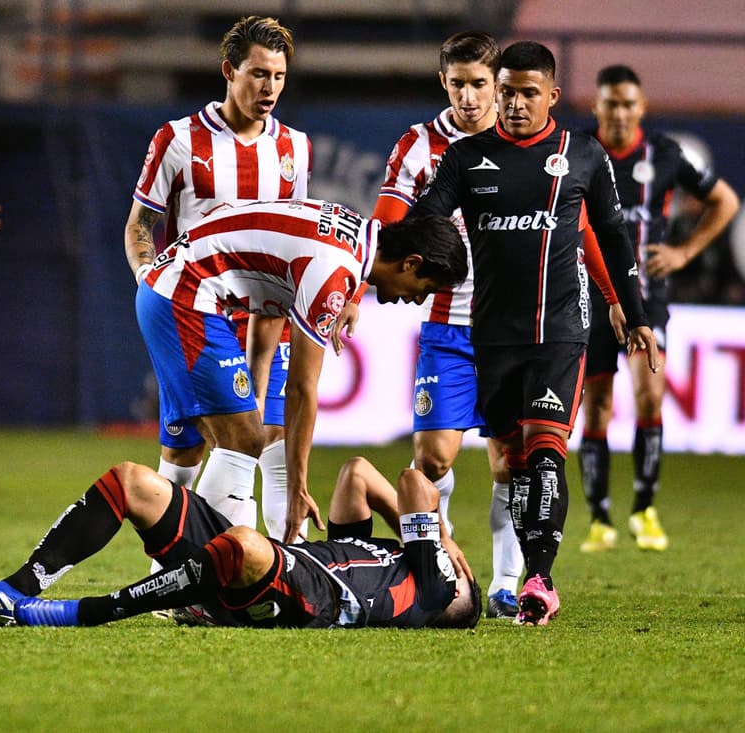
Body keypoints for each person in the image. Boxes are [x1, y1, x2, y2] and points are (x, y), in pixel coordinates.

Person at [409, 41, 659, 625]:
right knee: (513, 464)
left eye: (528, 93)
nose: (516, 103)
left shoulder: (583, 155)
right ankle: (514, 575)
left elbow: (614, 236)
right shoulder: (467, 158)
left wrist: (633, 310)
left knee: (546, 450)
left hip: (559, 334)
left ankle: (539, 580)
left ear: (550, 95)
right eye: (507, 91)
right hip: (489, 337)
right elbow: (427, 218)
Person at [130, 200, 466, 543]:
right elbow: (302, 388)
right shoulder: (335, 271)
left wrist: (257, 393)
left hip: (174, 290)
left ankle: (190, 571)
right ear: (411, 264)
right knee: (242, 439)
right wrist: (298, 487)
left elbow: (268, 305)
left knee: (213, 442)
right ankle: (208, 572)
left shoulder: (351, 234)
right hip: (185, 297)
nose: (414, 300)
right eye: (425, 289)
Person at [338, 32, 522, 618]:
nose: (468, 97)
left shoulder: (524, 143)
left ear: (498, 84)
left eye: (479, 84)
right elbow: (386, 230)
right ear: (443, 83)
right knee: (434, 457)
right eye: (457, 84)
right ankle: (437, 561)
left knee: (510, 459)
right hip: (446, 325)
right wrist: (354, 289)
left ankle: (507, 583)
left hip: (511, 327)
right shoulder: (420, 145)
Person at [124, 15, 312, 540]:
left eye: (278, 75)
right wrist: (148, 275)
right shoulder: (178, 140)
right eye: (257, 73)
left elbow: (287, 249)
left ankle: (279, 567)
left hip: (263, 316)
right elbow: (141, 223)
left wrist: (268, 339)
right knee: (191, 444)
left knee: (266, 433)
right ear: (229, 71)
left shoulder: (294, 147)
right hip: (193, 313)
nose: (269, 87)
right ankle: (188, 569)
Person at [0, 456, 480, 630]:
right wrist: (425, 535)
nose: (461, 570)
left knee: (243, 544)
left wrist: (443, 539)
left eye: (465, 576)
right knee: (131, 481)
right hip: (280, 561)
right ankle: (18, 587)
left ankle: (70, 613)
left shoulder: (433, 588)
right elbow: (357, 474)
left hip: (308, 594)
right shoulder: (394, 561)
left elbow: (414, 482)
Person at [578, 65, 739, 554]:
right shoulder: (578, 153)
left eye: (629, 103)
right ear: (597, 107)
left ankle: (644, 509)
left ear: (641, 108)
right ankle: (599, 518)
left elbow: (725, 201)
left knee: (650, 394)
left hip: (647, 296)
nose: (620, 112)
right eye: (611, 103)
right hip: (592, 295)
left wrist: (684, 254)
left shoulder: (664, 154)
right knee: (597, 405)